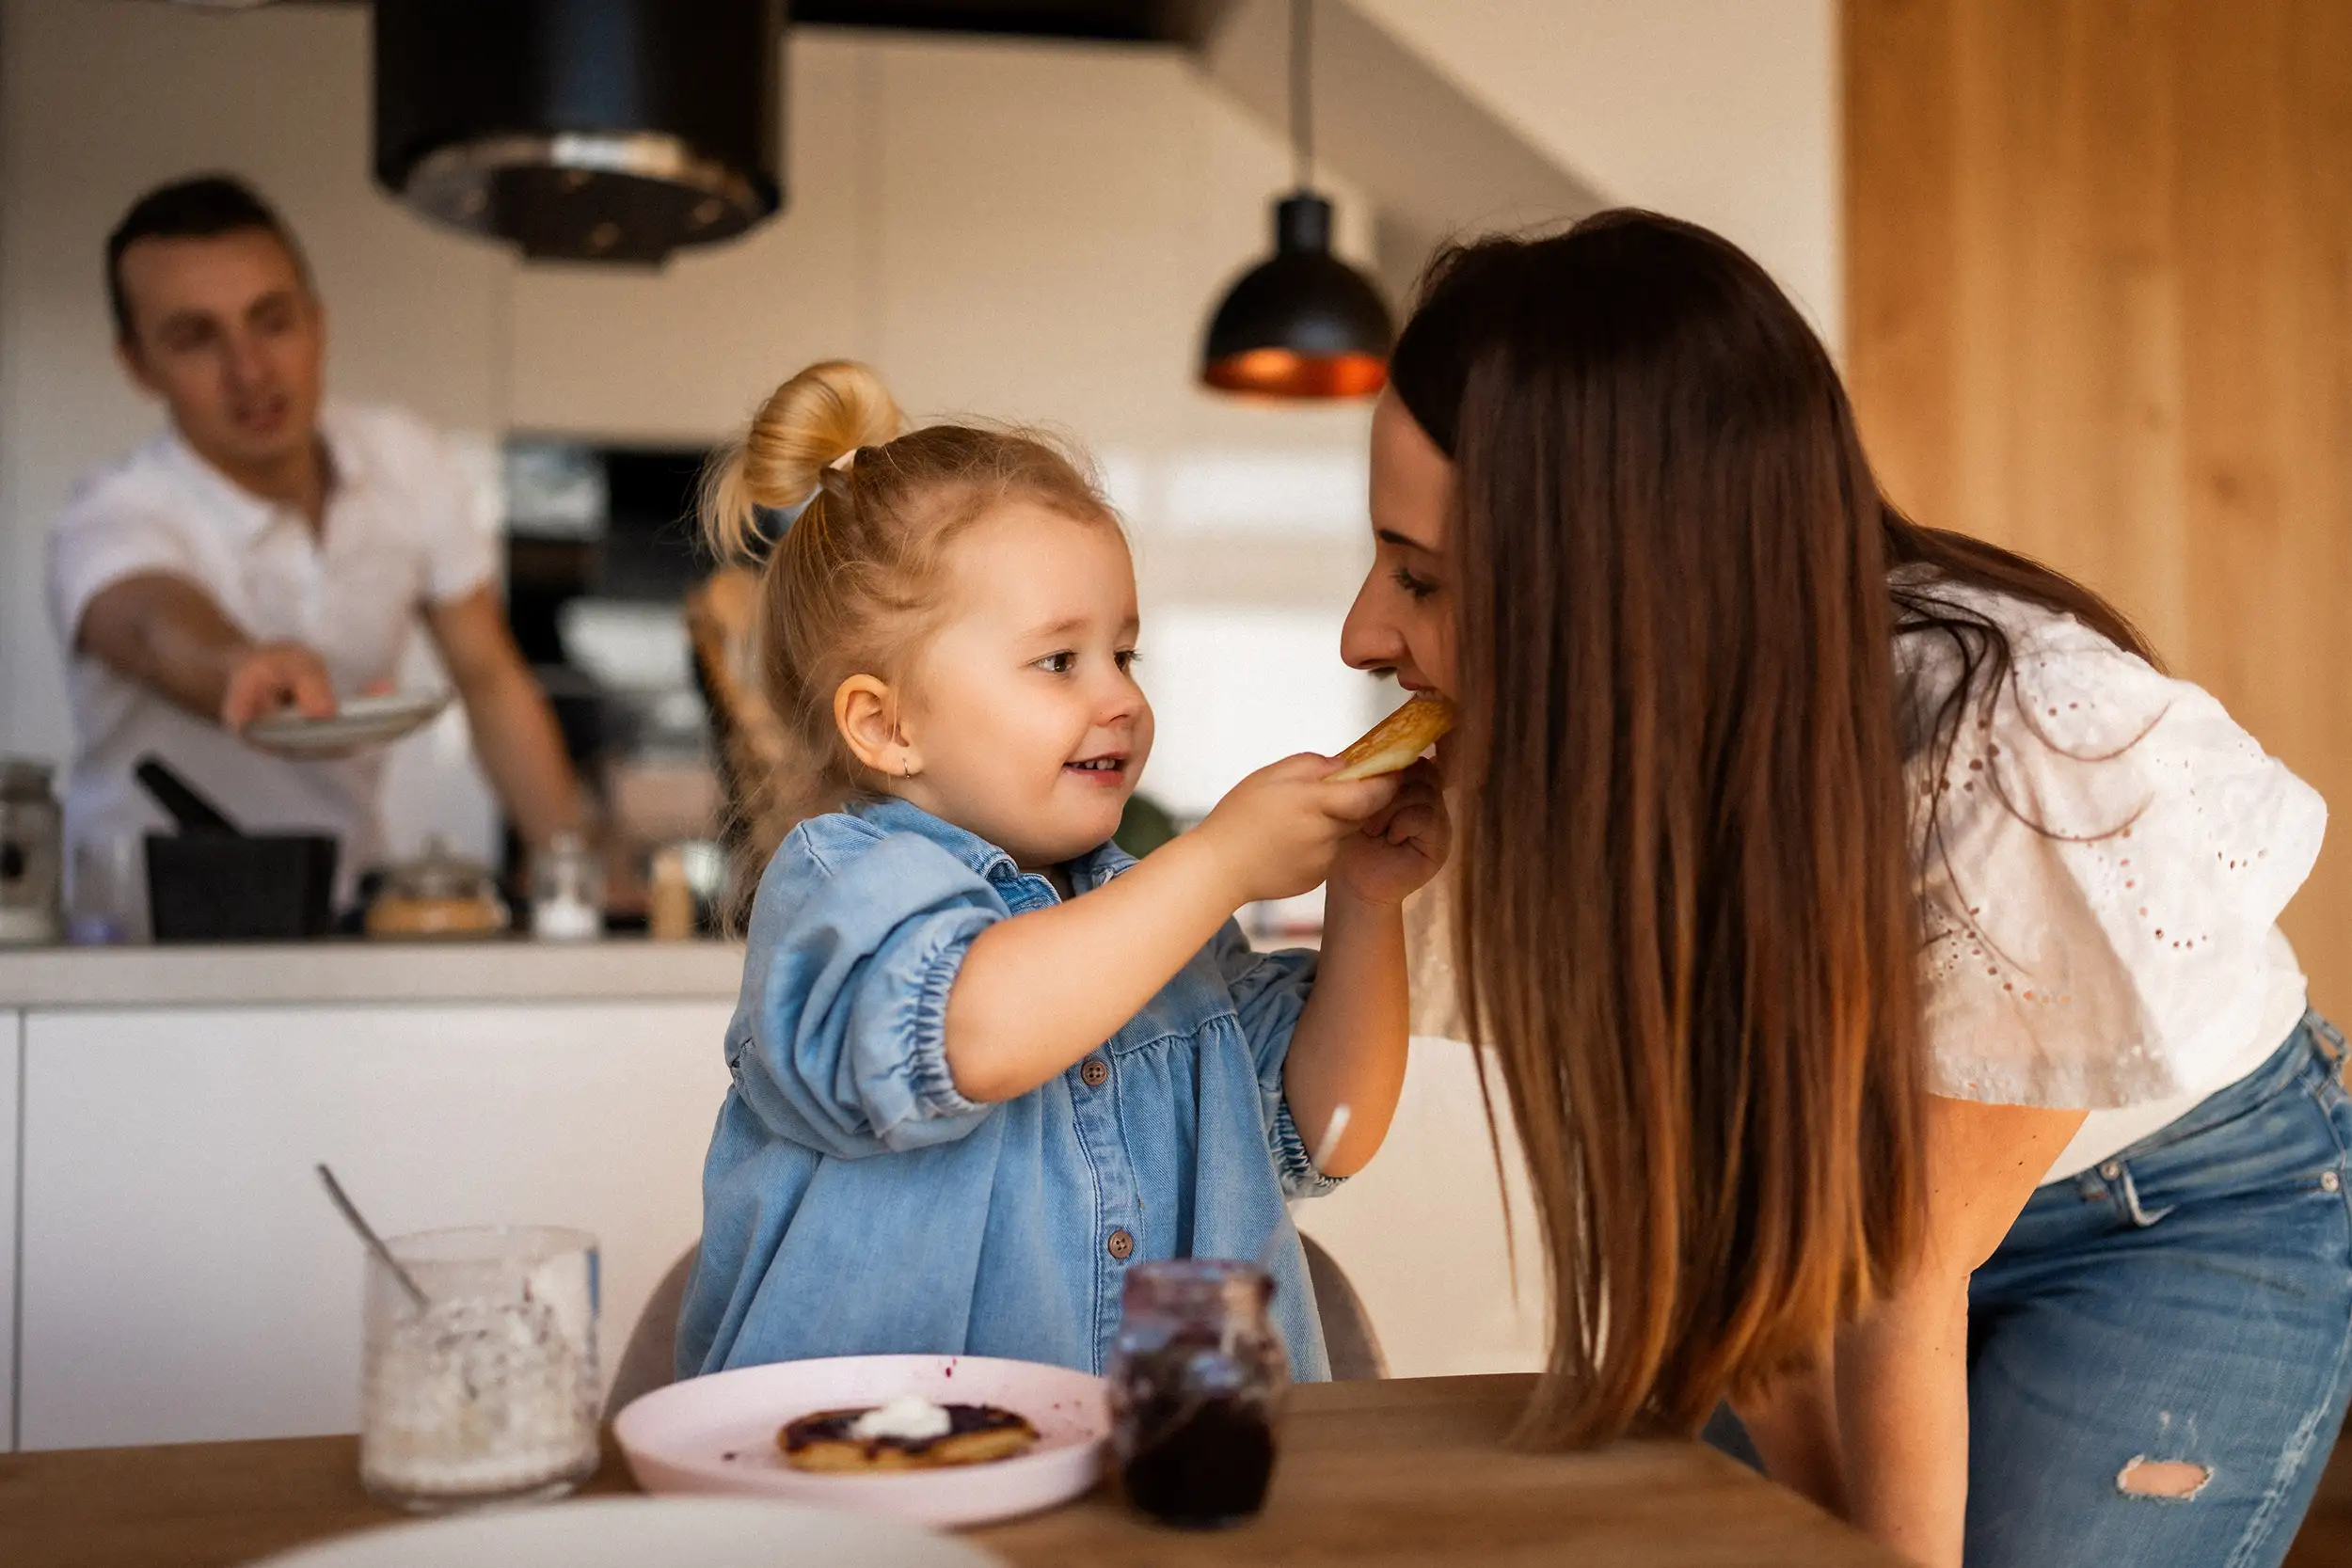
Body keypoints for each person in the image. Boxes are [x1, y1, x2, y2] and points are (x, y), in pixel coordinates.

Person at [1340, 210, 2343, 1568]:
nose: (1364, 631)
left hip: (2188, 1208)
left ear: (1620, 574)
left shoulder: (2018, 738)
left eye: (1424, 577)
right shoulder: (1587, 743)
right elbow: (1729, 1228)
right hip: (1853, 1260)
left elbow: (1900, 1275)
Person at [675, 361, 1444, 1381]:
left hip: (1150, 1495)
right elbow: (971, 1033)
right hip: (882, 1499)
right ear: (886, 723)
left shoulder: (1156, 921)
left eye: (1125, 653)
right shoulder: (840, 886)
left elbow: (1330, 1128)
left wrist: (1363, 896)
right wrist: (1217, 862)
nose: (1118, 697)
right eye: (1058, 661)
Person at [44, 175, 581, 912]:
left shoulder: (405, 459)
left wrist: (574, 871)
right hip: (141, 940)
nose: (250, 370)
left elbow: (489, 679)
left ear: (318, 322)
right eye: (196, 338)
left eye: (272, 321)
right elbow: (147, 620)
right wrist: (239, 663)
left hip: (338, 912)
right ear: (139, 365)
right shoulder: (110, 514)